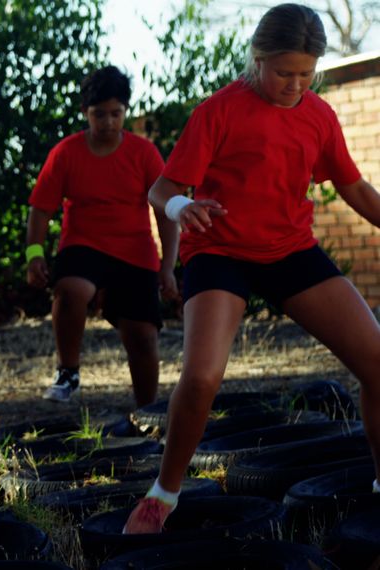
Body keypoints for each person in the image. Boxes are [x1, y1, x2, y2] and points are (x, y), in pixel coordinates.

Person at [124, 3, 380, 534]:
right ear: (257, 58)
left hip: (290, 250)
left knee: (377, 360)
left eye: (306, 74)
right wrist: (180, 208)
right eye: (284, 73)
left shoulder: (319, 116)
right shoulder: (218, 111)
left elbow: (352, 186)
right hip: (220, 252)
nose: (295, 85)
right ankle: (162, 494)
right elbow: (162, 189)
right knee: (201, 377)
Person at [26, 65, 178, 406]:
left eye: (116, 114)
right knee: (70, 289)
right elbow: (40, 209)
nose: (108, 122)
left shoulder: (144, 153)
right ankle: (68, 372)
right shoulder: (65, 153)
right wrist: (33, 255)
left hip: (135, 252)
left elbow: (165, 214)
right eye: (99, 115)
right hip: (84, 245)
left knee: (143, 336)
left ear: (125, 111)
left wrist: (168, 266)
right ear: (85, 113)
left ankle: (148, 412)